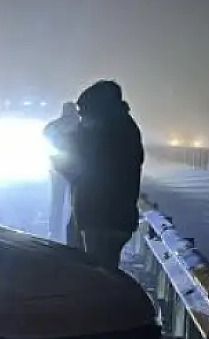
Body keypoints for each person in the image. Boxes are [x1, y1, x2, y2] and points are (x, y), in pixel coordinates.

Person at [66, 79, 144, 269]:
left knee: (97, 274)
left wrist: (72, 146)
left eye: (84, 114)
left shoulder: (107, 134)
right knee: (99, 272)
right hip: (110, 217)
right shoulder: (122, 127)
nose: (82, 120)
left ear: (97, 111)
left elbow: (85, 168)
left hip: (102, 218)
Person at [43, 101, 78, 244]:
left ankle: (54, 231)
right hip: (75, 169)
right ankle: (72, 232)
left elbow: (46, 132)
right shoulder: (80, 125)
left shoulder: (56, 125)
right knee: (74, 202)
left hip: (59, 168)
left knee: (57, 201)